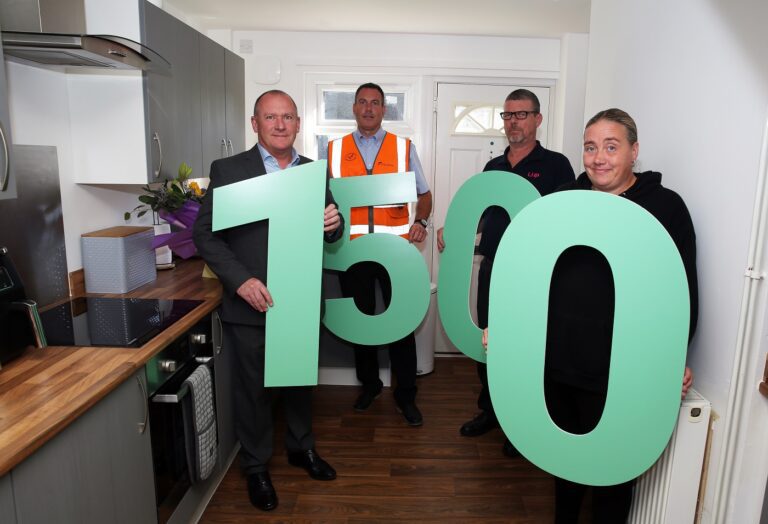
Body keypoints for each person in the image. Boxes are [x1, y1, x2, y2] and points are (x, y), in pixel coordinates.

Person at [482, 108, 698, 522]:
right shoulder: (563, 199)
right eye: (590, 147)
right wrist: (505, 323)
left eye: (611, 147)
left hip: (622, 370)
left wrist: (674, 355)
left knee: (614, 479)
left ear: (634, 151)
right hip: (560, 361)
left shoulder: (666, 208)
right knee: (565, 469)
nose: (599, 157)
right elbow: (527, 272)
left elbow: (683, 290)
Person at [193, 90, 343, 512]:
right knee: (254, 392)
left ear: (298, 124)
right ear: (255, 123)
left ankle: (302, 448)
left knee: (298, 384)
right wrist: (240, 281)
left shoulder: (314, 171)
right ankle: (256, 467)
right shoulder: (228, 170)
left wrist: (334, 223)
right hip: (251, 302)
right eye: (270, 117)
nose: (280, 125)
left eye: (288, 117)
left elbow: (331, 228)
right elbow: (204, 233)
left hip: (298, 299)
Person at [437, 89, 575, 456]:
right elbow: (481, 214)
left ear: (538, 119)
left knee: (526, 346)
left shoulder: (558, 165)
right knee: (488, 341)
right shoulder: (493, 167)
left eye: (522, 114)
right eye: (508, 116)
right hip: (493, 266)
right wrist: (455, 228)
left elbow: (565, 218)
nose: (514, 122)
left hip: (534, 273)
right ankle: (491, 412)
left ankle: (521, 422)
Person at [327, 82, 433, 426]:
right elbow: (322, 200)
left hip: (394, 252)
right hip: (351, 251)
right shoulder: (333, 150)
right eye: (363, 102)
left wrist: (422, 221)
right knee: (362, 323)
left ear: (384, 110)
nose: (369, 108)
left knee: (401, 326)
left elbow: (425, 195)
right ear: (354, 108)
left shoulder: (403, 148)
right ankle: (370, 386)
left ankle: (406, 396)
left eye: (375, 103)